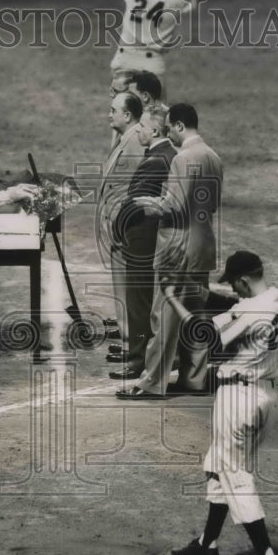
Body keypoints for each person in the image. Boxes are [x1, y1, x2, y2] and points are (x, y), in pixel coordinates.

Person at [166, 250, 278, 555]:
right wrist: (198, 287)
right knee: (217, 464)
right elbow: (230, 306)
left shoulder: (248, 309)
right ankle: (207, 544)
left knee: (235, 474)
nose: (234, 291)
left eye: (235, 285)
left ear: (245, 280)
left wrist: (172, 299)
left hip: (238, 399)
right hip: (264, 395)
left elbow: (200, 332)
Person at [117, 102, 222, 398]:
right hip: (203, 244)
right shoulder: (213, 156)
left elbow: (173, 207)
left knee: (164, 316)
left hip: (177, 245)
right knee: (196, 313)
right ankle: (195, 378)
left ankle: (151, 383)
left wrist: (145, 203)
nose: (170, 136)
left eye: (171, 130)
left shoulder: (183, 157)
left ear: (178, 125)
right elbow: (212, 204)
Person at [109, 103, 177, 380]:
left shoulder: (157, 159)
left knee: (138, 301)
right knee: (147, 301)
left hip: (141, 239)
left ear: (156, 129)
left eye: (143, 126)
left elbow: (134, 203)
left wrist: (117, 228)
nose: (139, 130)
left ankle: (137, 362)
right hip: (152, 238)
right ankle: (146, 356)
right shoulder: (166, 154)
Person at [98, 92, 147, 346]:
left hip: (126, 229)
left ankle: (133, 341)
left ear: (127, 115)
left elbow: (133, 188)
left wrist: (118, 223)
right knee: (124, 288)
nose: (109, 114)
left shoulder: (135, 142)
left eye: (113, 110)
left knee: (129, 289)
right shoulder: (125, 139)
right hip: (120, 227)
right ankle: (128, 335)